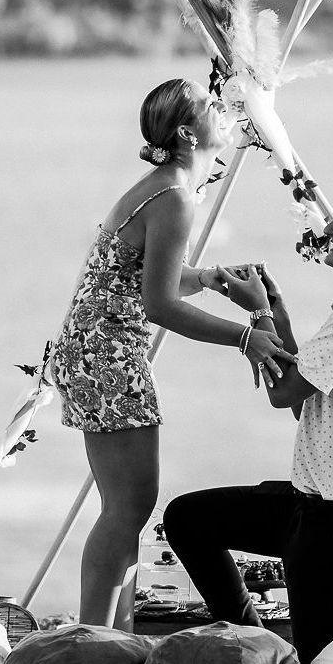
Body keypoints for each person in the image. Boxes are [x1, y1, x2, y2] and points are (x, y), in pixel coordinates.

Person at [47, 79, 295, 629]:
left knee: (124, 507)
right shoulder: (175, 198)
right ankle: (94, 638)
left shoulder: (164, 189)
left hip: (93, 351)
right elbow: (158, 305)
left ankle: (114, 634)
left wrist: (204, 278)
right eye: (210, 105)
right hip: (109, 357)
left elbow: (143, 278)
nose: (222, 108)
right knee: (129, 506)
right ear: (187, 133)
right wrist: (244, 337)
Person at [160, 180, 333, 664]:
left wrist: (257, 311)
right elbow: (305, 397)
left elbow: (283, 394)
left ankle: (272, 660)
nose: (330, 227)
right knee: (189, 519)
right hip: (312, 509)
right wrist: (275, 310)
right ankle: (259, 649)